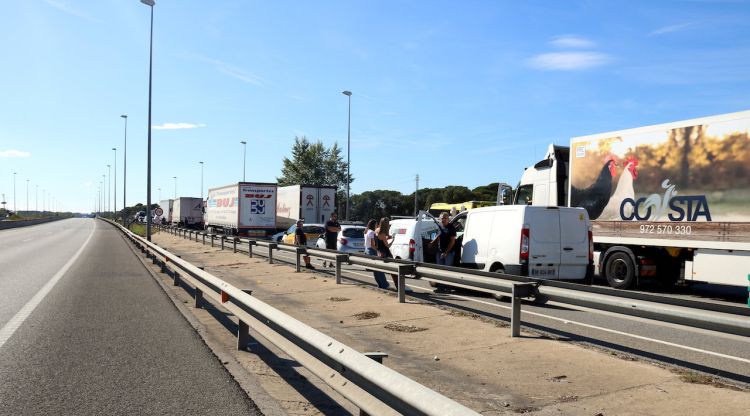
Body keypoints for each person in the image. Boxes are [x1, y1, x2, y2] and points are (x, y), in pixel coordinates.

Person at [375, 217, 412, 293]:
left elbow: (380, 240)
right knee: (394, 271)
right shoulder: (383, 233)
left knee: (392, 271)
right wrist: (393, 240)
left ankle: (399, 286)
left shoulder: (377, 230)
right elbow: (387, 245)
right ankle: (400, 287)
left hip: (379, 252)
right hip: (386, 253)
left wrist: (388, 237)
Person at [430, 212, 456, 293]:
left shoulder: (451, 228)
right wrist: (432, 242)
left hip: (448, 253)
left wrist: (446, 252)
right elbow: (438, 236)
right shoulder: (440, 227)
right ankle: (441, 288)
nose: (443, 220)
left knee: (447, 271)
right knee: (440, 271)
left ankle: (447, 288)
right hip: (439, 251)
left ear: (448, 219)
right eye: (441, 218)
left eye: (445, 218)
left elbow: (452, 241)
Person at [364, 219, 389, 289]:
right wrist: (379, 251)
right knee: (379, 269)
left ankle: (380, 284)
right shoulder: (372, 232)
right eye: (376, 224)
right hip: (372, 250)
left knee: (376, 270)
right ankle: (384, 284)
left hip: (367, 250)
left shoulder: (366, 231)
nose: (377, 225)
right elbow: (372, 244)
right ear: (373, 225)